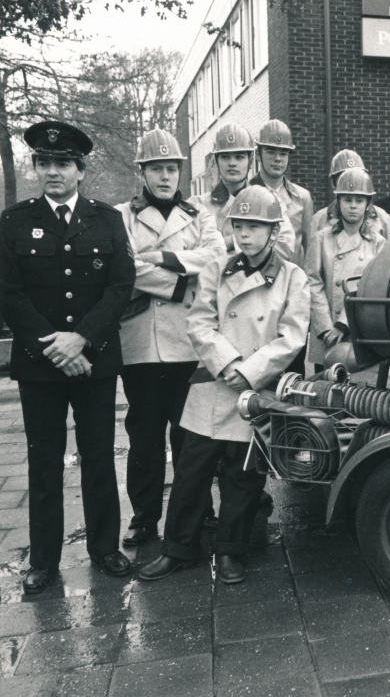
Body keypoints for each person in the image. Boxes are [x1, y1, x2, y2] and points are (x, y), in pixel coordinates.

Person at [139, 186, 309, 584]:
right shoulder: (216, 268)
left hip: (254, 389)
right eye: (238, 225)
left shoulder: (292, 277)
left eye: (254, 227)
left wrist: (249, 371)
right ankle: (177, 548)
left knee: (243, 475)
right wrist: (227, 363)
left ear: (273, 231)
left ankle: (231, 551)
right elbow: (198, 322)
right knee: (190, 470)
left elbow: (292, 337)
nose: (244, 234)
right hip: (212, 384)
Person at [0, 121, 136, 593]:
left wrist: (81, 340)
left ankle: (105, 548)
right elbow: (9, 293)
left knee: (98, 456)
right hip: (40, 366)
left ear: (80, 170)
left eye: (62, 163)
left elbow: (121, 286)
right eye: (43, 163)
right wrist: (55, 346)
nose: (52, 171)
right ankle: (43, 559)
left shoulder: (107, 220)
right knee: (44, 461)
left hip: (93, 358)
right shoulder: (14, 221)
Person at [116, 129, 227, 548]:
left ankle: (197, 509)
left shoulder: (198, 214)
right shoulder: (121, 215)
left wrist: (162, 256)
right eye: (156, 169)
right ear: (142, 172)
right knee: (144, 434)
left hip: (187, 340)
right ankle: (145, 517)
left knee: (191, 434)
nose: (165, 177)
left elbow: (217, 258)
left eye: (171, 169)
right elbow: (126, 269)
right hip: (142, 341)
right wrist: (182, 284)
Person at [307, 167, 386, 373]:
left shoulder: (378, 243)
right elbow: (312, 283)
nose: (353, 206)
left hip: (359, 330)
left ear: (368, 204)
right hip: (326, 334)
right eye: (347, 199)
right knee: (324, 394)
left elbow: (372, 287)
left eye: (359, 201)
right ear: (338, 201)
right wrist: (326, 326)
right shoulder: (321, 239)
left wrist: (343, 324)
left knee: (361, 395)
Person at [189, 123, 295, 260]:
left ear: (250, 160)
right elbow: (189, 254)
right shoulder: (197, 205)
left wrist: (230, 242)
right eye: (225, 157)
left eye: (239, 157)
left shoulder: (271, 201)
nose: (232, 163)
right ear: (216, 161)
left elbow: (285, 247)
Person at [249, 119, 314, 268]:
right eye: (271, 152)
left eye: (284, 153)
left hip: (291, 282)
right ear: (258, 155)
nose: (278, 159)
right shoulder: (245, 194)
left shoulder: (303, 197)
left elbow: (309, 248)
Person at [314, 149, 390, 239]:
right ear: (332, 183)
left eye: (357, 175)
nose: (350, 181)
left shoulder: (383, 219)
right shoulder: (318, 220)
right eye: (343, 176)